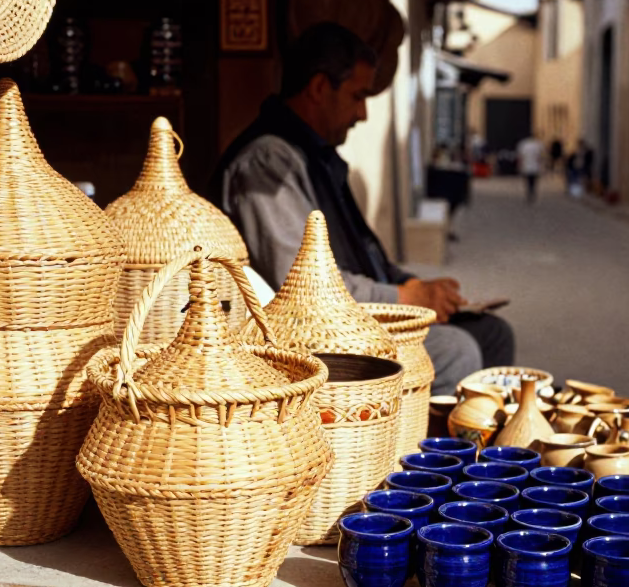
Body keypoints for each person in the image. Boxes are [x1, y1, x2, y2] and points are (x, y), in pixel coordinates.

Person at [206, 23, 514, 394]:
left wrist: (409, 284)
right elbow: (301, 287)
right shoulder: (267, 162)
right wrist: (404, 298)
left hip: (351, 317)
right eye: (357, 96)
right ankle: (430, 452)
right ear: (320, 88)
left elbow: (363, 257)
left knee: (492, 333)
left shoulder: (314, 157)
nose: (363, 113)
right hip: (307, 339)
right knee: (454, 351)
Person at [516, 134, 543, 203]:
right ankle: (532, 191)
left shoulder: (523, 144)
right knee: (533, 181)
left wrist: (519, 165)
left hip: (527, 166)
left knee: (528, 181)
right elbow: (539, 157)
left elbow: (521, 156)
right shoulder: (537, 144)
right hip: (534, 166)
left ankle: (529, 192)